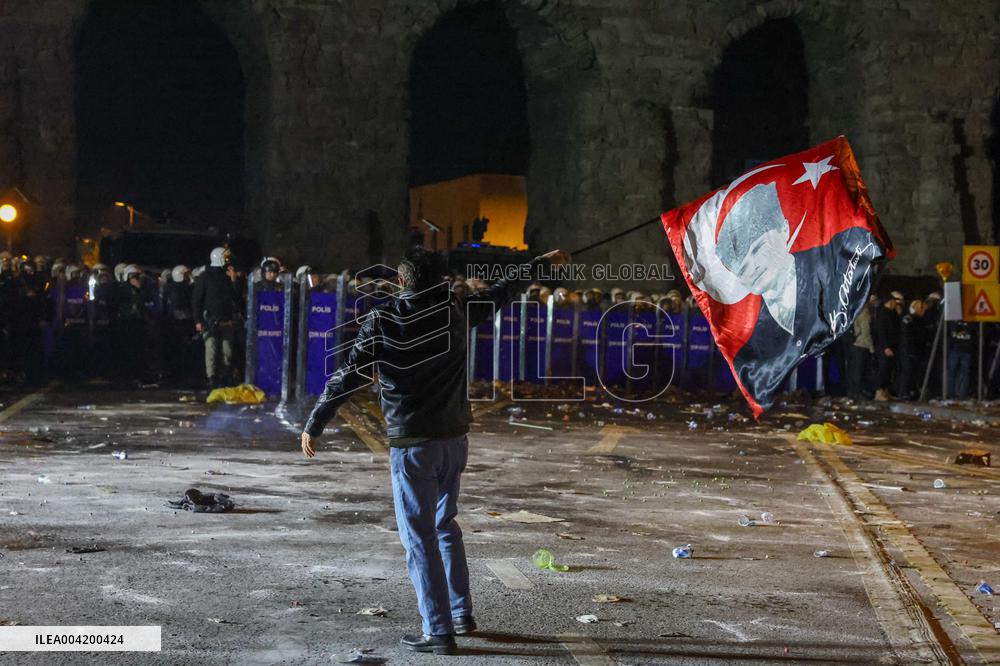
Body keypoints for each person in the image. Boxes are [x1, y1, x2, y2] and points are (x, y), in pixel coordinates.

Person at [300, 246, 570, 655]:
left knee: (419, 536)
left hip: (412, 444)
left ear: (403, 281)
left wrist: (316, 422)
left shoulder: (382, 319)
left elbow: (348, 376)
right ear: (441, 280)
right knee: (446, 527)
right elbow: (503, 291)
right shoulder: (456, 310)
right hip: (454, 439)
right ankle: (460, 614)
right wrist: (540, 266)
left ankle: (438, 630)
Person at [192, 247, 241, 388]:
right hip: (210, 320)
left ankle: (225, 377)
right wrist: (198, 320)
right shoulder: (204, 277)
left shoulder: (227, 277)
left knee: (227, 350)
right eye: (226, 259)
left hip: (226, 319)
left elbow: (236, 298)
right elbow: (196, 300)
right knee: (211, 349)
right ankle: (211, 378)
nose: (229, 261)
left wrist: (234, 281)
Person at [871, 291, 904, 401]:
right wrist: (885, 347)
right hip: (884, 347)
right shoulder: (882, 314)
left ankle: (885, 391)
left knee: (889, 369)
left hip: (892, 345)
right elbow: (881, 332)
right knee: (883, 368)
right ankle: (878, 391)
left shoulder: (892, 313)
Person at [846, 304, 874, 399]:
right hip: (862, 344)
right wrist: (871, 348)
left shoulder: (855, 310)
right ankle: (858, 393)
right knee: (860, 371)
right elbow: (866, 331)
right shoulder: (865, 313)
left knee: (853, 370)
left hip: (853, 344)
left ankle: (852, 391)